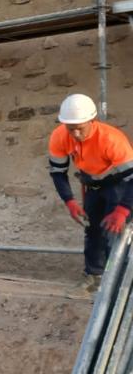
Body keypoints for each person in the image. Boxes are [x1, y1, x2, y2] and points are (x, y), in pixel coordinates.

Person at [48, 93, 133, 293]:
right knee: (92, 230)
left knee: (116, 234)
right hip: (93, 186)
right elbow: (58, 172)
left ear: (92, 121)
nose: (76, 134)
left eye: (80, 128)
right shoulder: (59, 136)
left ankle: (119, 288)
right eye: (71, 129)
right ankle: (93, 279)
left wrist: (123, 210)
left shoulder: (111, 140)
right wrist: (69, 201)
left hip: (120, 185)